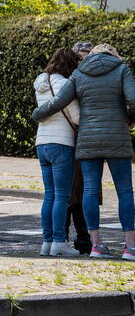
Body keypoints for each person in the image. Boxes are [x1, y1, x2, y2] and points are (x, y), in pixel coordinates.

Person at [32, 43, 135, 261]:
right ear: (113, 55)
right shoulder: (121, 69)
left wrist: (37, 114)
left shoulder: (79, 73)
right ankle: (131, 247)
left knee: (90, 191)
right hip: (117, 136)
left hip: (87, 139)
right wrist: (131, 120)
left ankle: (96, 245)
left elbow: (59, 101)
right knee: (124, 191)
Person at [33, 48, 81, 257]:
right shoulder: (64, 84)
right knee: (62, 195)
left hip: (42, 142)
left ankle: (47, 242)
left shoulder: (40, 83)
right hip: (62, 143)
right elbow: (76, 117)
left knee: (49, 195)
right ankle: (59, 242)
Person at [63, 41, 96, 254]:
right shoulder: (70, 80)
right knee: (70, 190)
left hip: (85, 138)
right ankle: (66, 237)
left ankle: (83, 238)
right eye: (81, 58)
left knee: (81, 189)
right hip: (71, 138)